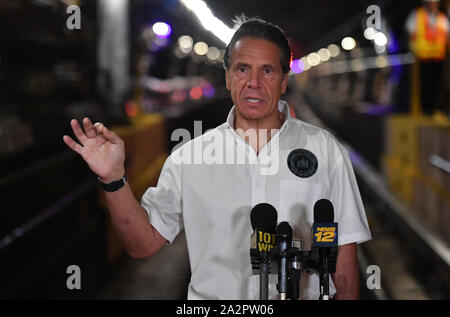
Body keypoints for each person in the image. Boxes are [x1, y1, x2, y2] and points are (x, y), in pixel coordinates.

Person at [63, 17, 371, 300]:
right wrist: (113, 178)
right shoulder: (189, 158)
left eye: (267, 70)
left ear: (284, 80)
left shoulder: (325, 150)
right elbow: (142, 244)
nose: (253, 82)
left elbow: (343, 266)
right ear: (227, 78)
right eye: (242, 69)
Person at [405, 0, 449, 116]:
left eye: (435, 3)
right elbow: (411, 34)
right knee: (422, 86)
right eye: (430, 3)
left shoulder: (441, 18)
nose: (433, 6)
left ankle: (434, 109)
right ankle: (422, 110)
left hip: (438, 58)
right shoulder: (417, 15)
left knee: (437, 85)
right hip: (421, 59)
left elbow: (446, 37)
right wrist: (414, 49)